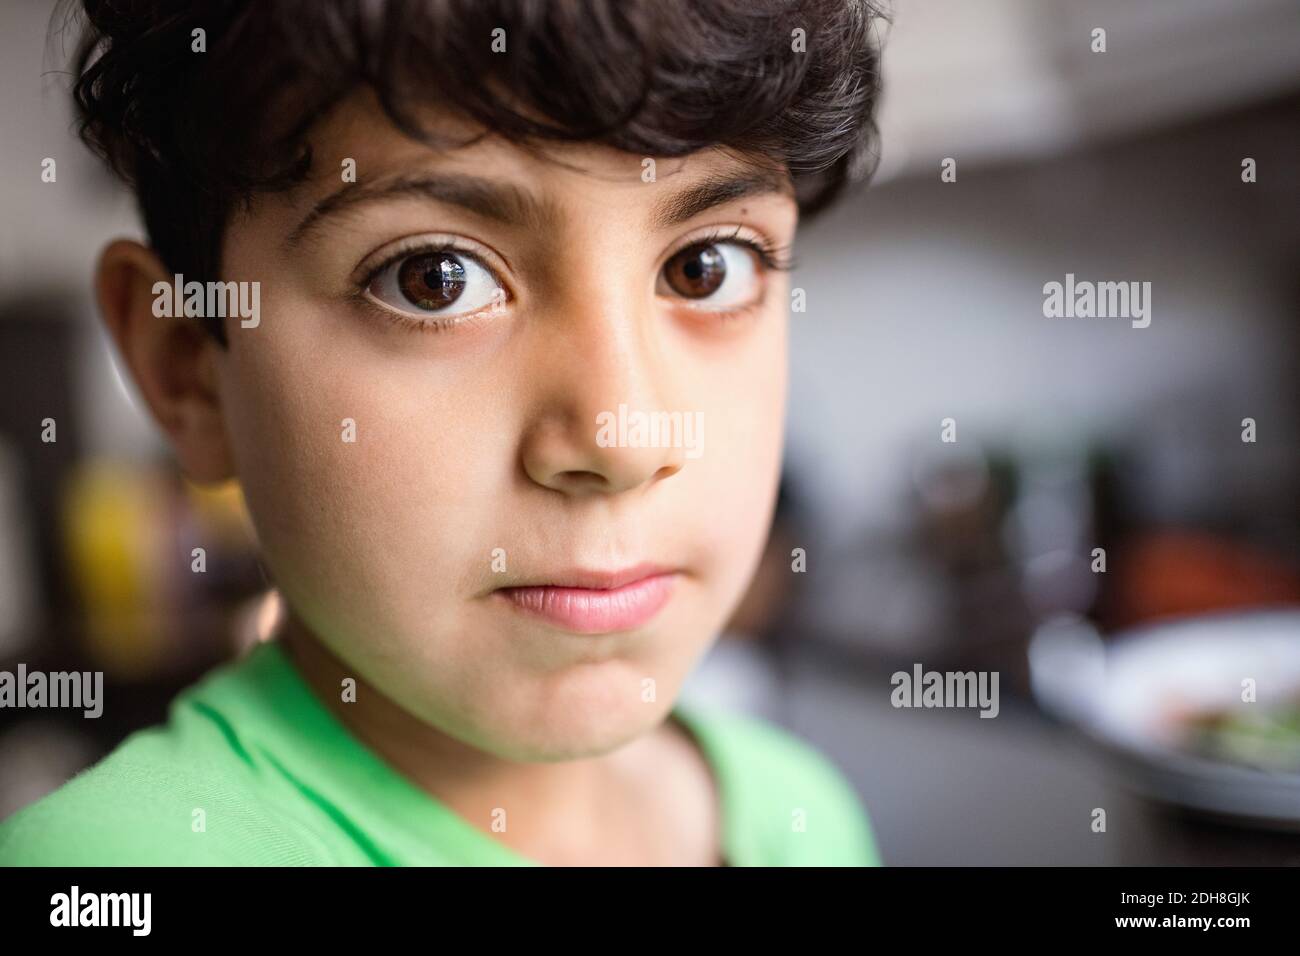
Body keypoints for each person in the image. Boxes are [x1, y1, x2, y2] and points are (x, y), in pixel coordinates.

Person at [0, 0, 883, 866]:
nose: (622, 438)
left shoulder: (797, 810)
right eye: (435, 278)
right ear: (186, 371)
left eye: (706, 267)